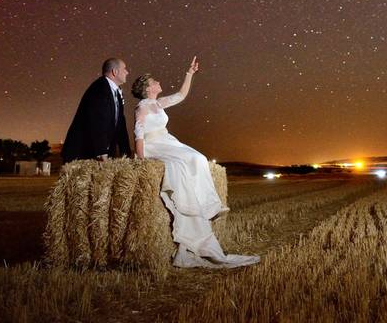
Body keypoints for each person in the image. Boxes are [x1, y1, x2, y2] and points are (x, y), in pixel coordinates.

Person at [132, 56, 259, 268]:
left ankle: (208, 205)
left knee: (198, 158)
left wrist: (189, 73)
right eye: (154, 82)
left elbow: (181, 95)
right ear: (147, 88)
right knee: (179, 165)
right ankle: (189, 207)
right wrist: (141, 159)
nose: (158, 82)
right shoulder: (142, 108)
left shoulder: (159, 103)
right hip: (154, 145)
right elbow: (138, 135)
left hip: (168, 141)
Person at [61, 58, 132, 162]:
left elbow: (120, 123)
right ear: (115, 72)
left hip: (99, 153)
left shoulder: (116, 91)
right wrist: (101, 151)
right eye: (124, 69)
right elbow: (98, 120)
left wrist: (125, 152)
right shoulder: (100, 88)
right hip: (84, 153)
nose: (127, 72)